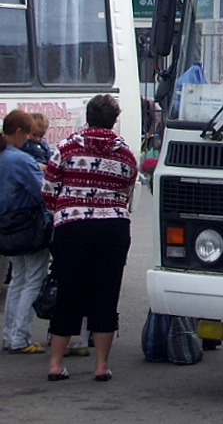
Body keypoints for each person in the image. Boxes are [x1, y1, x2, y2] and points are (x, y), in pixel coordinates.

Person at [42, 95, 137, 382]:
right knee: (106, 293)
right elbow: (128, 191)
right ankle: (101, 365)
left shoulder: (66, 147)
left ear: (88, 115)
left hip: (73, 227)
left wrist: (61, 212)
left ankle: (56, 364)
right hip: (113, 228)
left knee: (68, 292)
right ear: (114, 120)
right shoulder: (125, 153)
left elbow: (49, 190)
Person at [1, 109, 49, 355]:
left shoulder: (4, 156)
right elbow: (42, 192)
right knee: (33, 279)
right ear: (18, 132)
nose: (30, 138)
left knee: (18, 279)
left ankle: (10, 334)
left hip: (7, 226)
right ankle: (20, 337)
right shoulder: (20, 160)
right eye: (28, 133)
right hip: (27, 226)